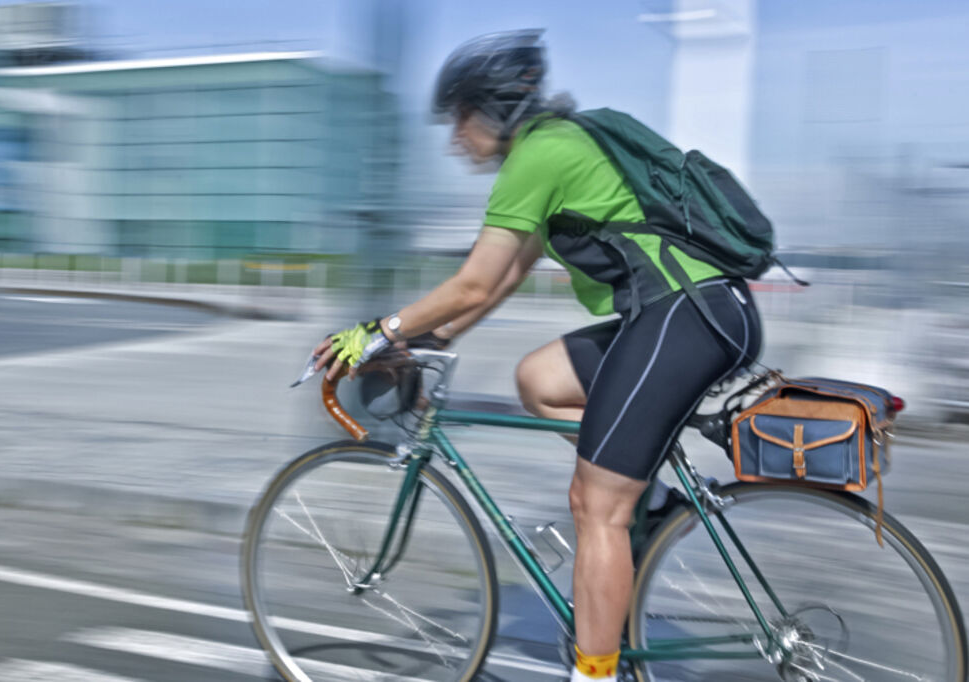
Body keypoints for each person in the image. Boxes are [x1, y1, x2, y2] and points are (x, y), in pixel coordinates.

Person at [310, 29, 763, 682]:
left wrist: (376, 332)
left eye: (459, 119)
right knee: (540, 379)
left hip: (687, 318)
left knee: (594, 504)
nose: (454, 138)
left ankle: (596, 672)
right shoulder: (559, 144)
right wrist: (429, 341)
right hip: (701, 314)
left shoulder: (537, 158)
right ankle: (652, 500)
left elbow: (471, 280)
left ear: (490, 110)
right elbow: (500, 281)